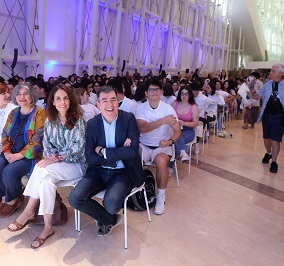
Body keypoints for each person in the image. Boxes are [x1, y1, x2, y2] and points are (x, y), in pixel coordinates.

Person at [7, 84, 86, 249]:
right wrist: (51, 156)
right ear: (53, 102)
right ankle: (48, 227)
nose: (62, 102)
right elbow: (47, 145)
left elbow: (79, 148)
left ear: (70, 100)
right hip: (56, 166)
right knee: (46, 183)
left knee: (41, 167)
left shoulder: (79, 119)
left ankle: (29, 210)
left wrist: (56, 158)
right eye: (58, 98)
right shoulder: (51, 120)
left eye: (65, 98)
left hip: (77, 165)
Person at [69, 85, 145, 237]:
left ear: (118, 102)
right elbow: (89, 155)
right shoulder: (92, 124)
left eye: (113, 100)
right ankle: (108, 219)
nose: (109, 105)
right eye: (104, 100)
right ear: (98, 104)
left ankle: (106, 216)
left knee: (111, 204)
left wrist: (103, 151)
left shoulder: (128, 119)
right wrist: (117, 153)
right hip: (98, 170)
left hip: (124, 172)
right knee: (75, 198)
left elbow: (132, 151)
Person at [0, 82, 45, 218]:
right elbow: (5, 134)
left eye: (26, 94)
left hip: (29, 155)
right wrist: (7, 152)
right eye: (18, 94)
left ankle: (14, 199)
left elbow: (38, 141)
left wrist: (19, 155)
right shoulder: (14, 112)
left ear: (32, 95)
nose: (22, 97)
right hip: (10, 152)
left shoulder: (40, 113)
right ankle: (4, 198)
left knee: (9, 172)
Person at [135, 78, 181, 215]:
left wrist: (170, 142)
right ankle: (136, 192)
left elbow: (178, 130)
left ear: (161, 91)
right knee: (132, 159)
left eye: (157, 89)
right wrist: (163, 121)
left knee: (161, 161)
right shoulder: (141, 108)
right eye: (151, 89)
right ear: (146, 92)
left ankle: (161, 196)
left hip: (162, 146)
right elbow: (143, 128)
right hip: (143, 144)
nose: (154, 92)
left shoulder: (168, 109)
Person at [251, 64, 284, 173]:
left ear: (280, 73)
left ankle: (274, 162)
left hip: (280, 117)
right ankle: (268, 152)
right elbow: (258, 96)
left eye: (273, 71)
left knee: (275, 140)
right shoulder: (267, 84)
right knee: (266, 138)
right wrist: (250, 94)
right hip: (267, 115)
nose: (270, 72)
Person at [171, 85, 199, 162]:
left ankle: (170, 165)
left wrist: (184, 123)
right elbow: (169, 115)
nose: (184, 96)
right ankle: (183, 152)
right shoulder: (175, 103)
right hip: (175, 128)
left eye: (186, 94)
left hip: (188, 130)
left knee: (173, 140)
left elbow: (196, 123)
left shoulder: (193, 107)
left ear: (189, 95)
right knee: (174, 138)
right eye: (182, 94)